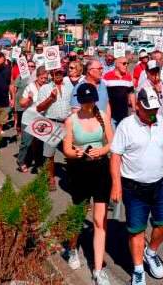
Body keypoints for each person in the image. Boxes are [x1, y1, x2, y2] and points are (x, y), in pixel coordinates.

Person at [110, 86, 163, 285]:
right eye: (148, 109)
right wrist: (116, 185)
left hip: (159, 183)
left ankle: (150, 253)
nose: (153, 113)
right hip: (134, 187)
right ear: (138, 106)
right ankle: (138, 269)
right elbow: (115, 156)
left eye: (155, 109)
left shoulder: (161, 122)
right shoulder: (126, 125)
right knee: (136, 229)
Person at [62, 83, 114, 284]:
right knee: (78, 214)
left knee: (100, 221)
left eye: (91, 100)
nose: (88, 104)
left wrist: (102, 151)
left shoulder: (102, 116)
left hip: (101, 170)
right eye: (84, 101)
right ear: (79, 101)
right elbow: (67, 147)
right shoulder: (71, 120)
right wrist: (76, 153)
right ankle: (73, 248)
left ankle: (98, 268)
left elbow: (112, 141)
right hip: (80, 170)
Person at [36, 68, 73, 191]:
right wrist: (50, 98)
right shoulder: (45, 88)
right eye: (55, 73)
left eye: (60, 72)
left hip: (67, 123)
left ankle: (72, 178)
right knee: (49, 154)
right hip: (52, 122)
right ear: (51, 74)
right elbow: (39, 108)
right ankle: (50, 178)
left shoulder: (69, 87)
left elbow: (73, 105)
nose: (58, 75)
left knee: (71, 153)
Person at [17, 66, 48, 173]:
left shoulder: (47, 87)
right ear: (37, 76)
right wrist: (29, 99)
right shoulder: (30, 86)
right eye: (42, 78)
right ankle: (21, 161)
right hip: (28, 118)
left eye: (45, 78)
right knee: (26, 143)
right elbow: (21, 103)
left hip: (41, 120)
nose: (44, 80)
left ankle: (39, 163)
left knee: (39, 143)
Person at [137, 60, 163, 132]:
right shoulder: (143, 88)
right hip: (150, 126)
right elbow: (140, 109)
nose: (155, 74)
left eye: (157, 71)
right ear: (147, 72)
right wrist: (154, 91)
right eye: (152, 72)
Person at [103, 55, 135, 129]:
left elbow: (131, 93)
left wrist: (133, 109)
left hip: (124, 113)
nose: (126, 65)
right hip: (110, 114)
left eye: (127, 63)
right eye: (124, 63)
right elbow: (103, 94)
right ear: (117, 64)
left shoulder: (128, 77)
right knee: (113, 137)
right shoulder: (107, 76)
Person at [12, 60, 36, 138]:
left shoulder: (36, 76)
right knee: (20, 119)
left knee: (29, 119)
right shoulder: (20, 76)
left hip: (31, 102)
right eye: (28, 66)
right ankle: (19, 132)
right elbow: (15, 88)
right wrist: (13, 99)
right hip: (20, 101)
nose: (30, 68)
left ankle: (27, 135)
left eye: (32, 66)